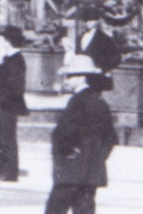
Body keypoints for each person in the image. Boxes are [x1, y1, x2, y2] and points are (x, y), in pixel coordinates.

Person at [45, 54, 118, 214]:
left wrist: (67, 150)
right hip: (91, 171)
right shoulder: (100, 102)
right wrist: (97, 155)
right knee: (85, 208)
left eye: (70, 76)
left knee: (56, 208)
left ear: (82, 78)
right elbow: (111, 138)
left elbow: (65, 132)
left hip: (70, 170)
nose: (66, 80)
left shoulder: (77, 102)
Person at [0, 26, 29, 181]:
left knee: (7, 138)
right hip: (3, 103)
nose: (2, 41)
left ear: (8, 41)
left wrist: (0, 98)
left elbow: (16, 88)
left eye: (4, 39)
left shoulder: (16, 60)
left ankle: (10, 172)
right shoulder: (9, 59)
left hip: (9, 104)